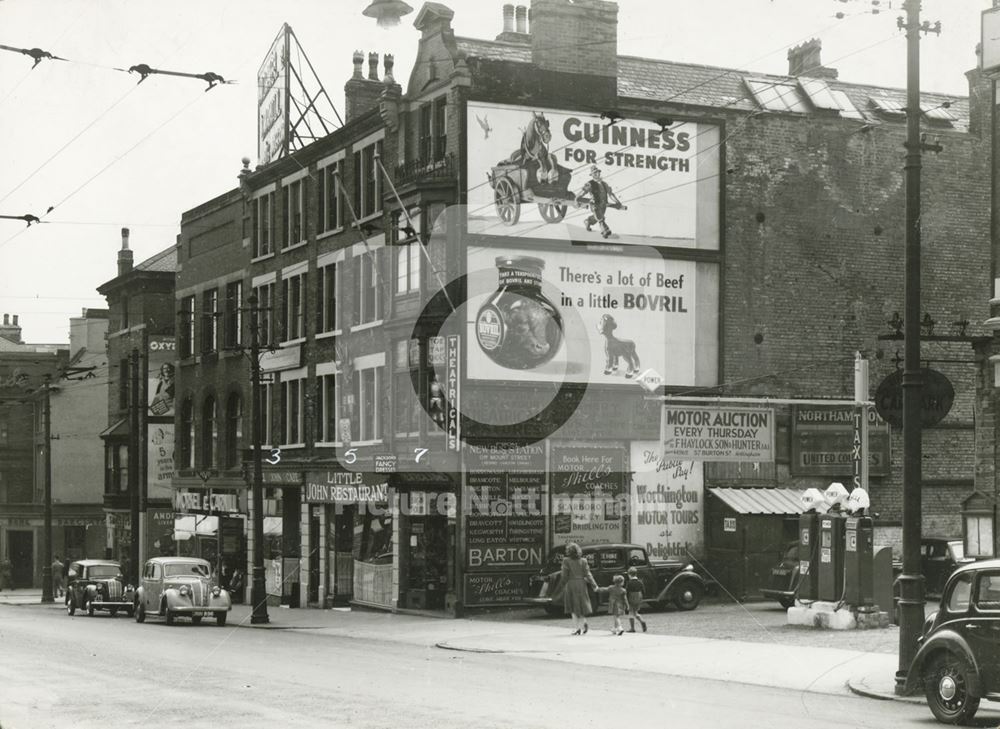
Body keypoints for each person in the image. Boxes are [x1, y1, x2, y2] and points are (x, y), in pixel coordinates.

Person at [557, 542, 598, 635]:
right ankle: (584, 623)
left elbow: (564, 575)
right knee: (580, 605)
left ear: (569, 551)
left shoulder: (566, 561)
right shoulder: (583, 561)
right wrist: (594, 585)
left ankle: (576, 628)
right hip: (581, 584)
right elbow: (588, 574)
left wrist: (561, 585)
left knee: (572, 607)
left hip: (571, 583)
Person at [576, 165, 622, 239]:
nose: (597, 174)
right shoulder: (590, 184)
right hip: (594, 204)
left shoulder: (604, 184)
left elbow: (610, 194)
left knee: (596, 218)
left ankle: (588, 221)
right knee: (600, 218)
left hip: (603, 205)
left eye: (597, 172)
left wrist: (618, 202)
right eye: (594, 173)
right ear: (592, 175)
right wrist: (577, 199)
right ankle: (605, 230)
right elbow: (582, 193)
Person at [626, 566, 647, 633]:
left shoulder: (629, 583)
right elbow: (644, 591)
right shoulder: (640, 582)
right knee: (635, 612)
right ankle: (642, 621)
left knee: (631, 613)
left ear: (629, 575)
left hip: (631, 598)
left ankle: (632, 628)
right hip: (639, 597)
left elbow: (627, 592)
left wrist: (626, 600)